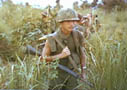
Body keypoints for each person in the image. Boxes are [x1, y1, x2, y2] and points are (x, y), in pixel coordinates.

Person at [41, 8, 86, 90]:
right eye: (68, 21)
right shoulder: (51, 38)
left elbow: (82, 54)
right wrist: (61, 55)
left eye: (73, 21)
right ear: (61, 23)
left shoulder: (78, 35)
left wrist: (83, 72)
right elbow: (44, 59)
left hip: (72, 73)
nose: (72, 24)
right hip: (57, 74)